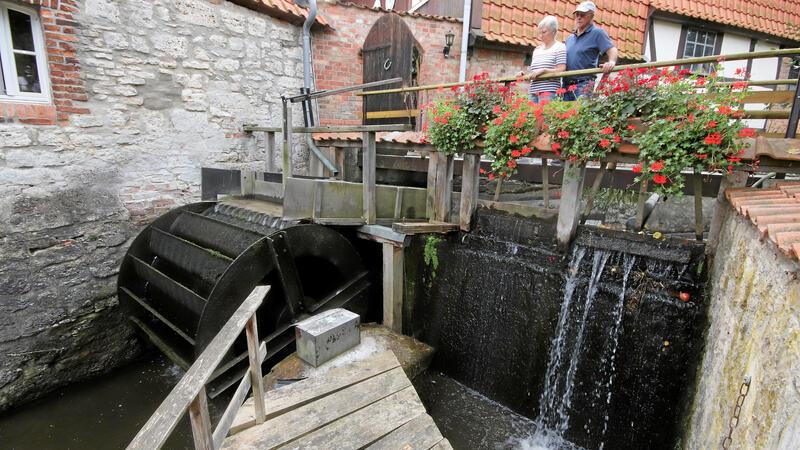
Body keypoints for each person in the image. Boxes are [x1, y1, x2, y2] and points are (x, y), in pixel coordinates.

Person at [563, 1, 618, 101]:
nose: (579, 17)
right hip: (566, 85)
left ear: (591, 16)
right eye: (577, 14)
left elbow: (612, 50)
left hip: (583, 84)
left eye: (582, 15)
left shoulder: (597, 33)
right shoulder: (570, 38)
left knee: (580, 114)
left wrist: (611, 62)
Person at [527, 16, 566, 104]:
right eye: (540, 32)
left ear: (554, 31)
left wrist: (544, 71)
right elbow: (534, 71)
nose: (541, 35)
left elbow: (562, 69)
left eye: (544, 32)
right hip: (533, 90)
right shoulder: (537, 50)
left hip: (549, 91)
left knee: (545, 117)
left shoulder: (560, 47)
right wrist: (524, 75)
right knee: (530, 117)